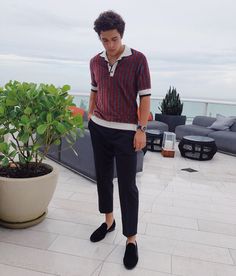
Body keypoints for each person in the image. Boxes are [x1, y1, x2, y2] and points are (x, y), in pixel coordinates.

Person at [88, 10, 151, 270]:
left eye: (114, 39)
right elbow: (94, 89)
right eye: (105, 40)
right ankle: (109, 221)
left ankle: (131, 239)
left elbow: (145, 97)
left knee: (127, 186)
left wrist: (141, 128)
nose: (110, 45)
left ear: (121, 36)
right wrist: (90, 116)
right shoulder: (94, 61)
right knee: (103, 177)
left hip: (126, 131)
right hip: (99, 127)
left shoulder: (138, 60)